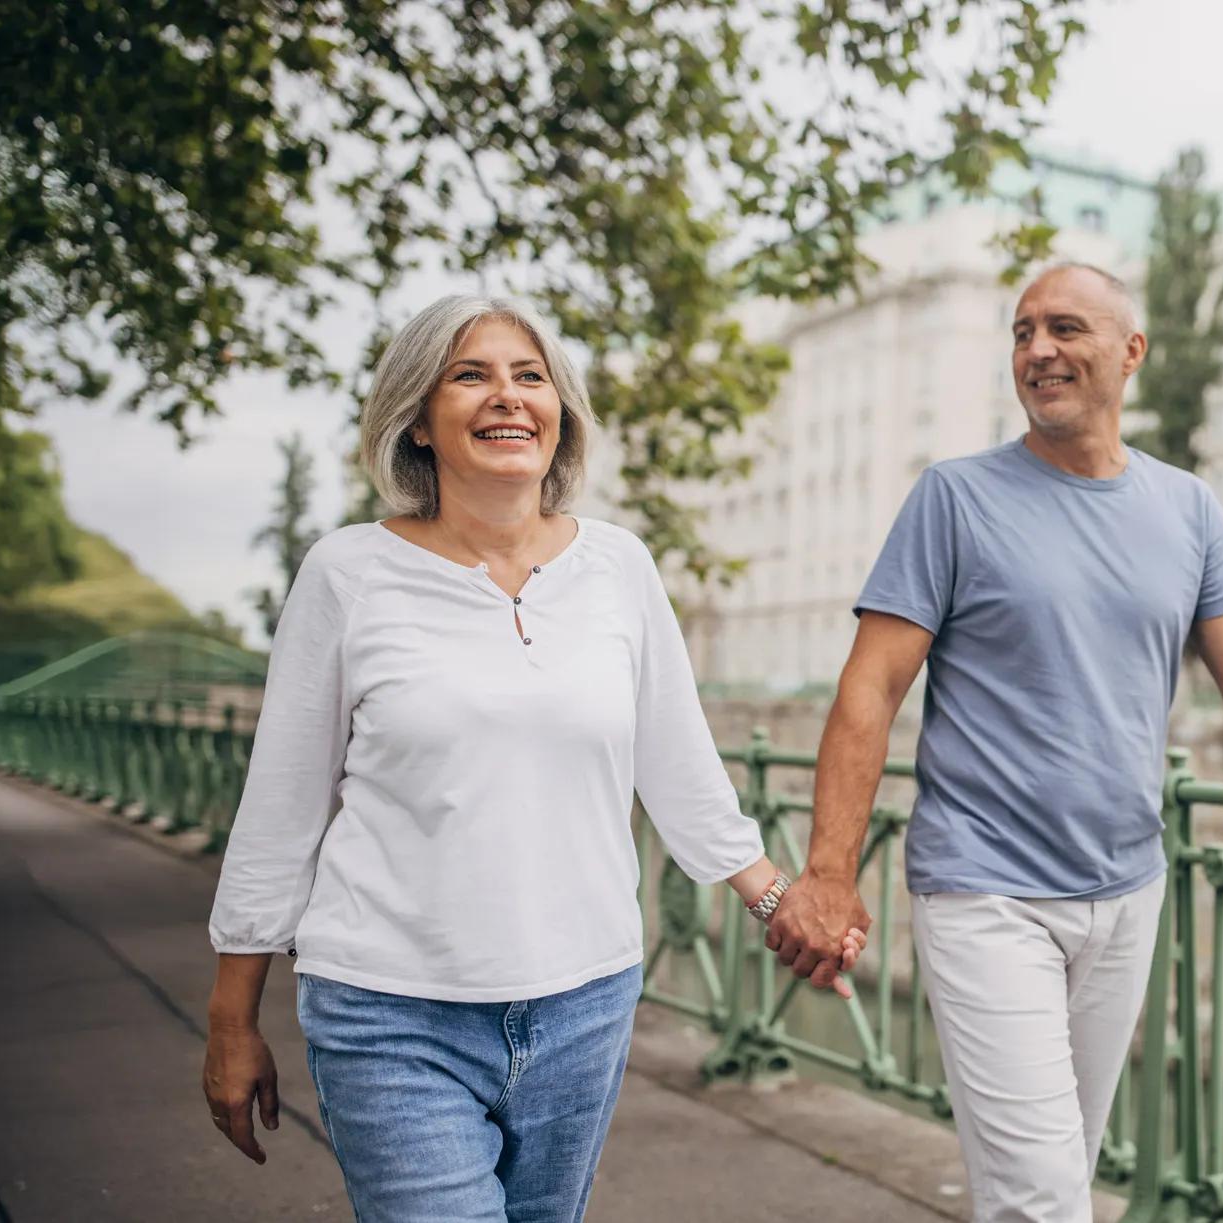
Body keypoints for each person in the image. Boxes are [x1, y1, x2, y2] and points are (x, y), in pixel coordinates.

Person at [200, 293, 861, 1222]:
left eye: (530, 376)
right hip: (392, 1006)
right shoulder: (347, 575)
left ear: (562, 413)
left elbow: (678, 767)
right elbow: (280, 809)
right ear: (418, 421)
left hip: (584, 1001)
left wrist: (776, 898)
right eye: (470, 375)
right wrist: (233, 1018)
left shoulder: (620, 568)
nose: (507, 397)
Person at [763, 263, 1223, 1222]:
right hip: (984, 890)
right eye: (1022, 331)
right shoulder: (954, 499)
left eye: (1066, 328)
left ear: (1131, 352)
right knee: (1043, 1201)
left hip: (1127, 889)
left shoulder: (1189, 509)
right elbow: (870, 687)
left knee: (1054, 1179)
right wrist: (830, 873)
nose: (1038, 349)